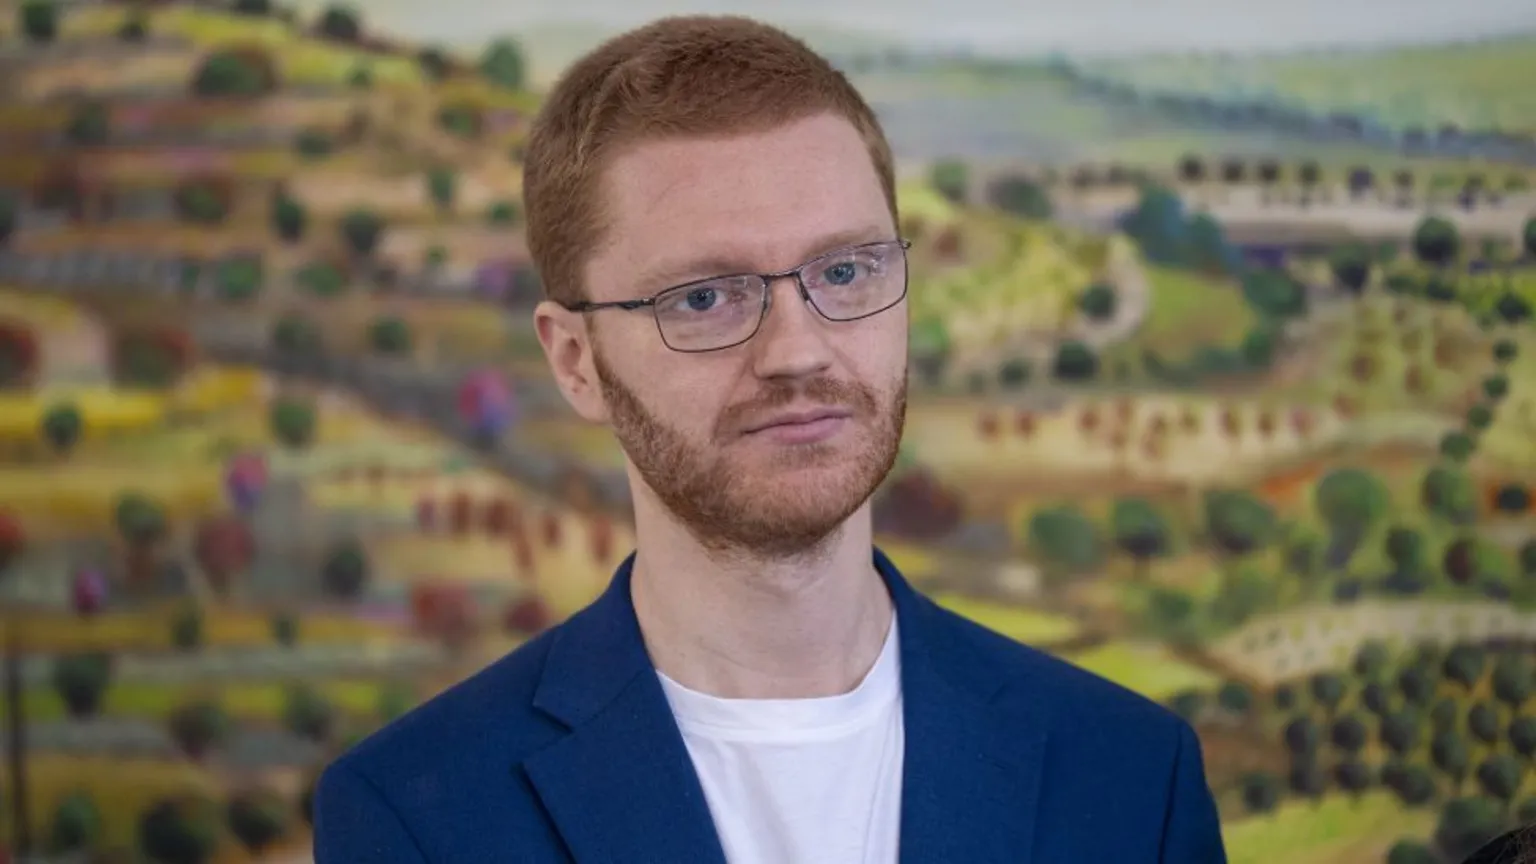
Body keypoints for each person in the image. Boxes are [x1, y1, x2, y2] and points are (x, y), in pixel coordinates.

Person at [312, 15, 1227, 864]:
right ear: (577, 360)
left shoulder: (1133, 778)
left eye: (844, 269)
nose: (797, 350)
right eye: (704, 297)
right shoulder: (418, 818)